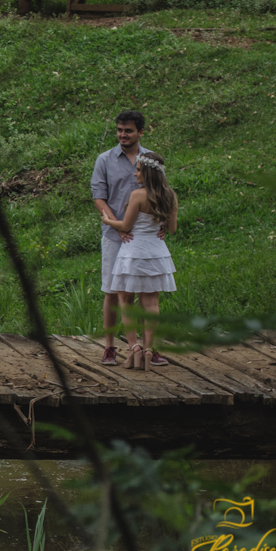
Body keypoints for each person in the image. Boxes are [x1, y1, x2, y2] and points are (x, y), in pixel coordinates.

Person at [101, 152, 177, 371]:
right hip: (156, 251)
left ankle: (134, 346)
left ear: (148, 173)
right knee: (151, 303)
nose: (135, 174)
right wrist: (161, 227)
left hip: (133, 251)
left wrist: (108, 220)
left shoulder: (137, 195)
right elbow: (172, 229)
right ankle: (149, 349)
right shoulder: (170, 196)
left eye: (138, 170)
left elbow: (126, 226)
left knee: (125, 300)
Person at [91, 110, 151, 365]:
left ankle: (148, 347)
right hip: (114, 236)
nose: (122, 135)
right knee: (112, 291)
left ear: (140, 132)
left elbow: (160, 193)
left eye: (128, 131)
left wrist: (160, 223)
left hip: (144, 236)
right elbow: (98, 197)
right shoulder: (104, 160)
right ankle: (110, 347)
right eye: (119, 130)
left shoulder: (150, 159)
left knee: (146, 292)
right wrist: (118, 226)